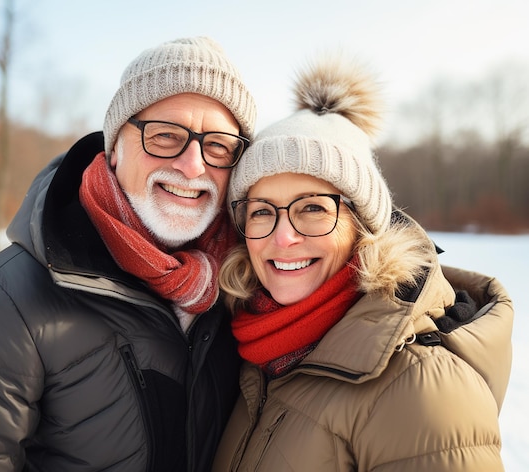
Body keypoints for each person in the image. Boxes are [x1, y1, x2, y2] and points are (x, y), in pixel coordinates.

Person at [0, 37, 256, 471]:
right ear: (114, 146)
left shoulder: (245, 292)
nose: (193, 165)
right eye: (165, 136)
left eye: (218, 145)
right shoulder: (3, 302)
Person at [212, 56, 513, 471]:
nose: (283, 237)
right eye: (262, 211)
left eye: (313, 208)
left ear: (362, 227)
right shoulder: (253, 352)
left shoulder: (420, 390)